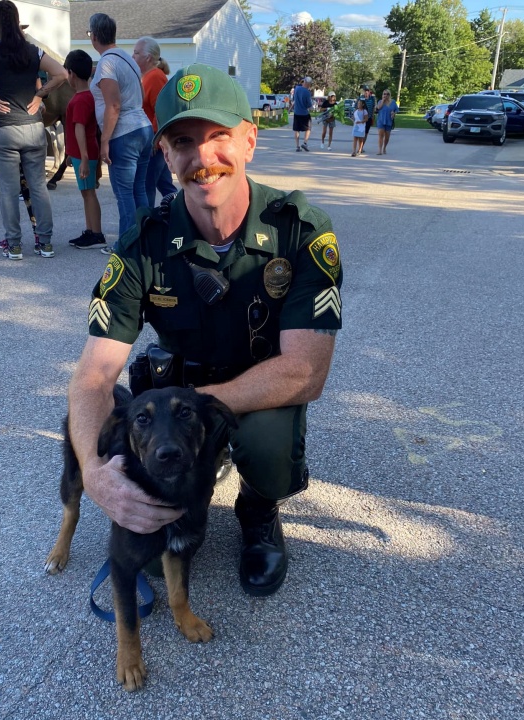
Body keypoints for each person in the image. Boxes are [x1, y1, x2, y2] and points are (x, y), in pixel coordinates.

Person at [68, 64, 341, 597]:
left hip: (257, 394)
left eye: (219, 137)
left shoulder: (300, 232)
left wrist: (200, 405)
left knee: (265, 442)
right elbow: (92, 379)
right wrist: (99, 477)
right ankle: (172, 494)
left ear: (250, 140)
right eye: (184, 141)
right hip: (180, 402)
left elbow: (305, 372)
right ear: (165, 155)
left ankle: (258, 510)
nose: (203, 158)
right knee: (145, 559)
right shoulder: (143, 241)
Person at [0, 0, 68, 260]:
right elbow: (61, 74)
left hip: (2, 128)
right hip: (32, 126)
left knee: (8, 190)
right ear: (17, 22)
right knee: (38, 186)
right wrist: (40, 96)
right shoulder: (32, 50)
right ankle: (46, 243)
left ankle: (14, 244)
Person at [88, 12, 151, 253]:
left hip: (123, 133)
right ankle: (145, 243)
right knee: (139, 191)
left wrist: (104, 141)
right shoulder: (128, 59)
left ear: (94, 36)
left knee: (125, 194)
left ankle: (126, 248)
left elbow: (113, 105)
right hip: (143, 128)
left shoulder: (107, 63)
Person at [63, 49, 104, 249]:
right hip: (80, 153)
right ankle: (90, 231)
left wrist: (85, 159)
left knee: (89, 193)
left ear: (72, 73)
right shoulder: (86, 96)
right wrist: (72, 154)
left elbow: (79, 128)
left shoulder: (81, 99)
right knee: (86, 193)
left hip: (85, 153)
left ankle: (96, 234)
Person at [134, 36, 175, 206]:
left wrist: (155, 141)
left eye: (136, 53)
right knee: (165, 185)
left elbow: (161, 112)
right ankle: (180, 216)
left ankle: (147, 226)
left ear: (148, 58)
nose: (132, 56)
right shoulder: (148, 76)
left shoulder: (156, 77)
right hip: (155, 142)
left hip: (154, 144)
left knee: (146, 186)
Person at [290, 76, 312, 151]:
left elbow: (295, 99)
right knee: (308, 128)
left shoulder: (297, 89)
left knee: (297, 129)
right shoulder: (307, 92)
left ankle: (297, 146)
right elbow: (309, 104)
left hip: (296, 112)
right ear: (308, 84)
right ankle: (305, 143)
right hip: (304, 113)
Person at [375, 89, 398, 156]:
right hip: (381, 120)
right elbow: (378, 108)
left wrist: (394, 113)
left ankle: (384, 147)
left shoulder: (393, 102)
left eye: (387, 94)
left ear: (389, 95)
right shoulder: (380, 101)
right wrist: (383, 100)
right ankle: (380, 150)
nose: (386, 95)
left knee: (387, 137)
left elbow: (396, 109)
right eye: (384, 94)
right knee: (380, 136)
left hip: (389, 121)